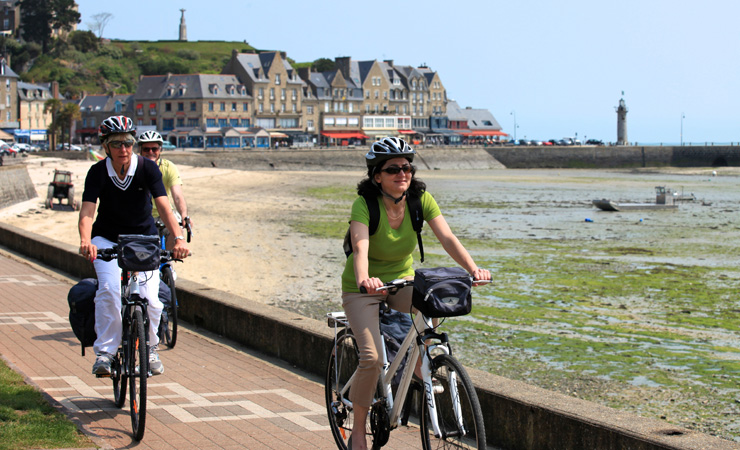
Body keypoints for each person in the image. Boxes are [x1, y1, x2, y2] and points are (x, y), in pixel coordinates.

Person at [341, 137, 491, 450]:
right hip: (365, 288)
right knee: (370, 358)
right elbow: (360, 246)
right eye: (393, 168)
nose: (402, 173)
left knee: (433, 306)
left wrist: (474, 269)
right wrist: (364, 279)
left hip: (401, 279)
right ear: (377, 175)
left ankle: (422, 366)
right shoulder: (364, 204)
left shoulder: (420, 199)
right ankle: (357, 431)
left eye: (407, 167)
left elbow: (447, 237)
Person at [78, 116, 189, 377]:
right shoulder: (97, 172)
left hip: (143, 239)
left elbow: (164, 206)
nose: (124, 149)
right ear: (105, 146)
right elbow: (87, 212)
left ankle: (149, 348)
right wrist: (85, 241)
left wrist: (179, 238)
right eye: (116, 144)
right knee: (108, 291)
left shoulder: (148, 169)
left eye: (128, 142)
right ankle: (105, 353)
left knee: (151, 299)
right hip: (106, 239)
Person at [137, 130, 192, 249]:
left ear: (160, 150)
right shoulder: (134, 168)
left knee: (177, 232)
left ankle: (168, 262)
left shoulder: (168, 167)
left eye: (154, 149)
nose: (150, 152)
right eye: (146, 149)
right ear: (140, 150)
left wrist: (184, 216)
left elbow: (177, 195)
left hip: (165, 213)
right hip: (142, 214)